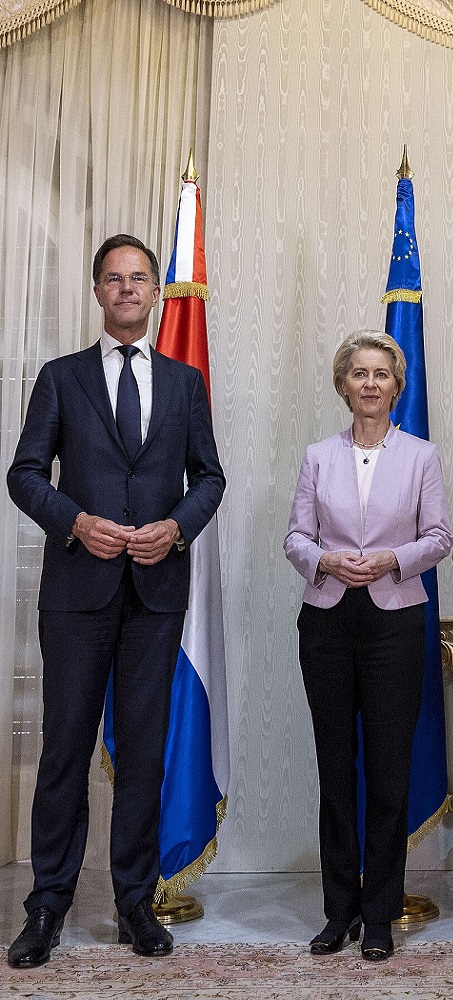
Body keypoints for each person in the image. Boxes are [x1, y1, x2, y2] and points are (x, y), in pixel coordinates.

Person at [6, 235, 226, 967]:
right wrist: (74, 520)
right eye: (114, 279)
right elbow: (25, 473)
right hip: (77, 594)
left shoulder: (184, 382)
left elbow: (210, 479)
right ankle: (46, 908)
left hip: (156, 594)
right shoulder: (61, 378)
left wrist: (176, 527)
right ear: (98, 292)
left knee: (142, 754)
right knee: (66, 751)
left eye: (139, 278)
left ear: (156, 291)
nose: (128, 289)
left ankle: (136, 903)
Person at [284, 331, 451, 962]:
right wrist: (325, 560)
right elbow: (296, 538)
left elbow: (436, 536)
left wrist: (392, 559)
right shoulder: (318, 456)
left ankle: (380, 914)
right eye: (360, 374)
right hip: (327, 620)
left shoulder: (420, 457)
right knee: (335, 768)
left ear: (397, 386)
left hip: (395, 622)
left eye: (383, 375)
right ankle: (339, 912)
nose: (372, 384)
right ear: (343, 385)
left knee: (387, 772)